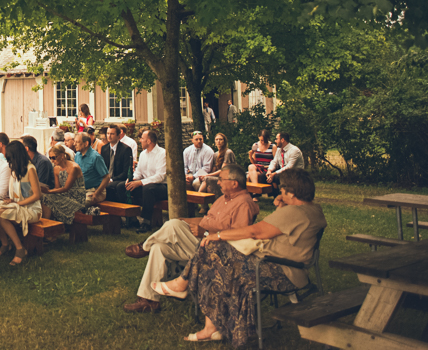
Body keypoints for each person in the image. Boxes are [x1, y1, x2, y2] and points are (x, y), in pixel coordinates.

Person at [153, 169, 326, 345]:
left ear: (291, 192)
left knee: (213, 254)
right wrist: (283, 206)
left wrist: (218, 235)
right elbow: (282, 231)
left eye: (282, 190)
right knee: (213, 254)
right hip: (285, 266)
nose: (279, 193)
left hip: (280, 271)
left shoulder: (295, 213)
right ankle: (207, 320)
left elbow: (255, 231)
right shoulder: (312, 209)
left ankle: (188, 292)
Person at [122, 164, 257, 314]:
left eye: (220, 179)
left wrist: (205, 233)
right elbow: (206, 220)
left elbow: (240, 235)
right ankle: (148, 300)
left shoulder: (244, 204)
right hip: (201, 245)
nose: (218, 182)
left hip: (219, 252)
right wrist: (186, 221)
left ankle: (144, 247)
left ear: (234, 183)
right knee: (159, 246)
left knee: (172, 225)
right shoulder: (223, 200)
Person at [0, 141, 41, 266]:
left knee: (1, 215)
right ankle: (5, 244)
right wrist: (12, 200)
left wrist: (19, 203)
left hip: (32, 209)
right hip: (19, 204)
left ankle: (19, 248)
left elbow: (37, 195)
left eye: (10, 158)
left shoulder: (30, 169)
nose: (8, 161)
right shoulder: (14, 169)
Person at [125, 129, 166, 233]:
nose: (140, 141)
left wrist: (140, 183)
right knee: (124, 186)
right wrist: (132, 180)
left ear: (149, 141)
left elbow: (160, 176)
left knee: (148, 189)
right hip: (146, 186)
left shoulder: (162, 153)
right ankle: (132, 219)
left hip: (161, 186)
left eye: (142, 138)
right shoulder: (143, 154)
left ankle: (146, 222)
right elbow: (139, 172)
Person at [40, 144, 86, 224]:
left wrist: (48, 191)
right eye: (50, 158)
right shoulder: (56, 169)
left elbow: (66, 188)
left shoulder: (73, 167)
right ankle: (48, 226)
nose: (52, 160)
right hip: (64, 195)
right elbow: (58, 188)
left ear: (61, 156)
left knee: (46, 197)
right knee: (43, 197)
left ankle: (47, 226)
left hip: (76, 198)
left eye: (53, 157)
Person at [100, 125, 134, 203]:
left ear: (118, 136)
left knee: (108, 186)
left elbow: (126, 172)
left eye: (112, 134)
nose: (109, 136)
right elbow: (102, 167)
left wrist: (111, 179)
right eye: (108, 133)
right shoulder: (104, 148)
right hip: (106, 178)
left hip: (119, 179)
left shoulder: (126, 149)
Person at [73, 132, 109, 203]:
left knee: (78, 205)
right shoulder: (77, 155)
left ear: (86, 144)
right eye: (74, 141)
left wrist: (96, 193)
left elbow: (107, 177)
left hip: (94, 190)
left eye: (77, 142)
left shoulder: (96, 157)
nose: (74, 144)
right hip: (81, 190)